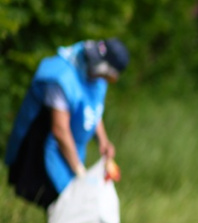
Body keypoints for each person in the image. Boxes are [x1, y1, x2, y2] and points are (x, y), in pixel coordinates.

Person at [5, 38, 130, 208]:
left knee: (70, 203)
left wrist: (103, 140)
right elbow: (59, 130)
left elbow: (92, 107)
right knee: (58, 202)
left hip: (71, 150)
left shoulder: (97, 76)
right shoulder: (62, 78)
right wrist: (79, 170)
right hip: (44, 148)